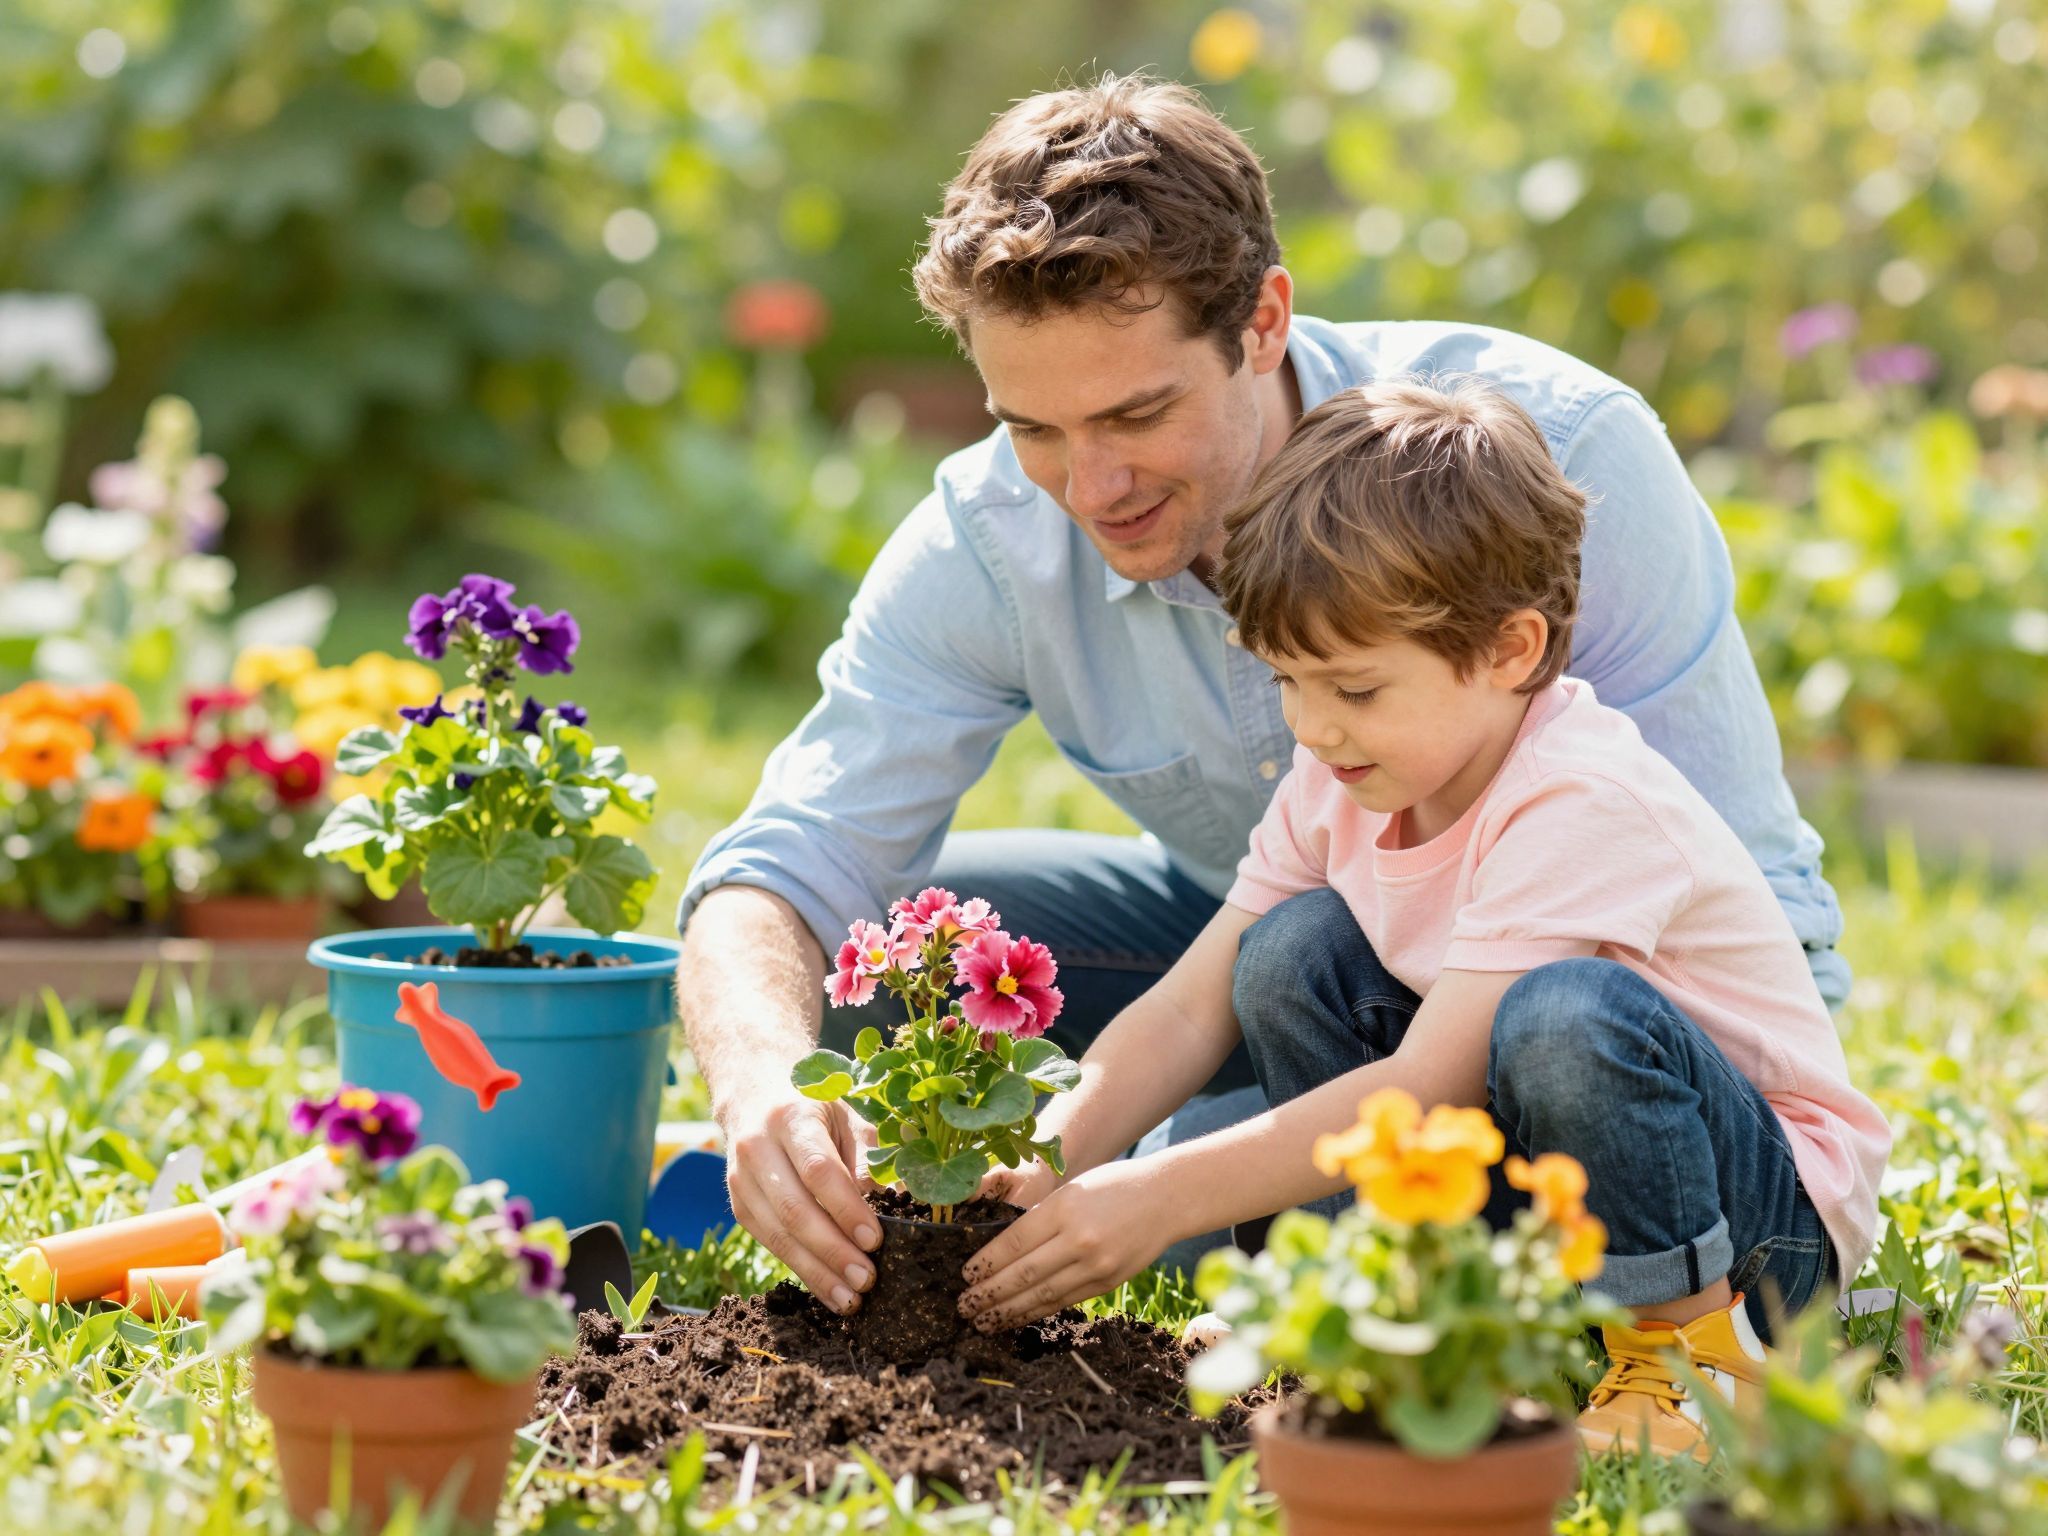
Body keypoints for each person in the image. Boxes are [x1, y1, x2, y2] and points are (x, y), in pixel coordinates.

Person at [674, 72, 1848, 1325]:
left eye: (1137, 411)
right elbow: (800, 859)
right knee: (888, 978)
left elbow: (1665, 971)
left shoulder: (1552, 462)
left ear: (1263, 322)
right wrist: (775, 1092)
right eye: (1033, 428)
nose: (1091, 483)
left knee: (1258, 1183)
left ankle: (1544, 1300)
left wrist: (1161, 1182)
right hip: (1370, 989)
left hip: (1622, 1043)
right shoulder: (1009, 548)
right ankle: (1347, 1248)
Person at [950, 377, 1890, 1459]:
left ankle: (1680, 1362)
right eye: (1287, 682)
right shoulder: (1345, 772)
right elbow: (1190, 1003)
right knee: (1287, 952)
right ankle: (1332, 1305)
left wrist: (1161, 1193)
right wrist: (1054, 1152)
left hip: (1747, 1231)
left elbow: (1428, 1082)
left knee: (1562, 1014)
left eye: (1352, 690)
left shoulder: (1580, 797)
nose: (1312, 728)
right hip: (1547, 1190)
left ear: (1508, 651)